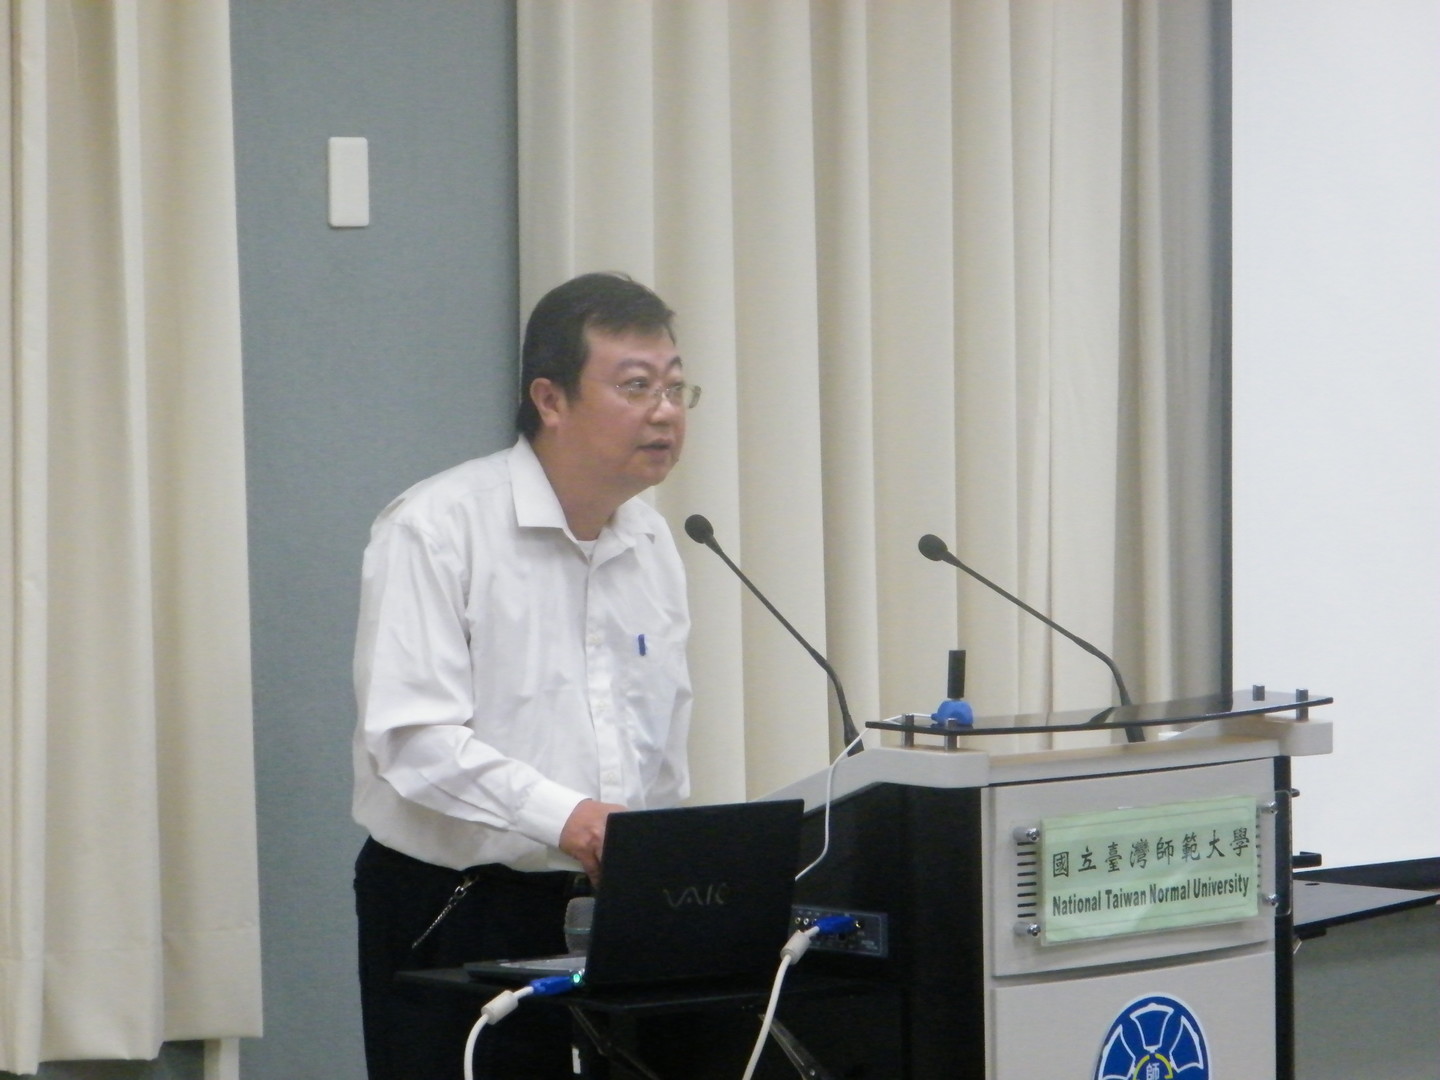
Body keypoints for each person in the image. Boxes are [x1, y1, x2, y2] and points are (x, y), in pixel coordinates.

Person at [351, 272, 698, 1079]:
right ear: (550, 399)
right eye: (636, 386)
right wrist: (568, 818)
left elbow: (660, 749)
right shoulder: (438, 527)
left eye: (676, 388)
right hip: (459, 908)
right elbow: (412, 737)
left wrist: (664, 870)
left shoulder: (652, 542)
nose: (665, 412)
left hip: (608, 910)